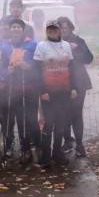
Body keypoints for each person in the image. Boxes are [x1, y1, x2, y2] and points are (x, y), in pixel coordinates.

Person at [0, 18, 40, 162]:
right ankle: (23, 148)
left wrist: (28, 66)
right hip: (13, 88)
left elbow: (38, 64)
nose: (16, 29)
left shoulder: (32, 44)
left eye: (18, 27)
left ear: (23, 29)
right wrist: (6, 71)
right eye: (13, 27)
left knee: (30, 119)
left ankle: (36, 146)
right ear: (10, 29)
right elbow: (1, 66)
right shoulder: (6, 46)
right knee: (19, 119)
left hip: (30, 87)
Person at [34, 20, 77, 168]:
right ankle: (46, 154)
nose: (52, 31)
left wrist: (73, 87)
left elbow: (71, 68)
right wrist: (43, 91)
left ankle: (57, 152)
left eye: (55, 29)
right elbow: (37, 71)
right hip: (48, 92)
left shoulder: (65, 45)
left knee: (61, 124)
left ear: (59, 30)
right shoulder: (41, 46)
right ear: (47, 31)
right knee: (49, 123)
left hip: (64, 91)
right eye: (50, 29)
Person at [57, 16, 92, 158]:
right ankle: (67, 141)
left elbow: (89, 59)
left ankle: (79, 144)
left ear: (70, 28)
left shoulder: (78, 41)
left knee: (76, 113)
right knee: (64, 113)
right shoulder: (54, 42)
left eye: (66, 28)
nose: (63, 31)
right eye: (60, 28)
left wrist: (76, 49)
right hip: (61, 83)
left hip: (79, 82)